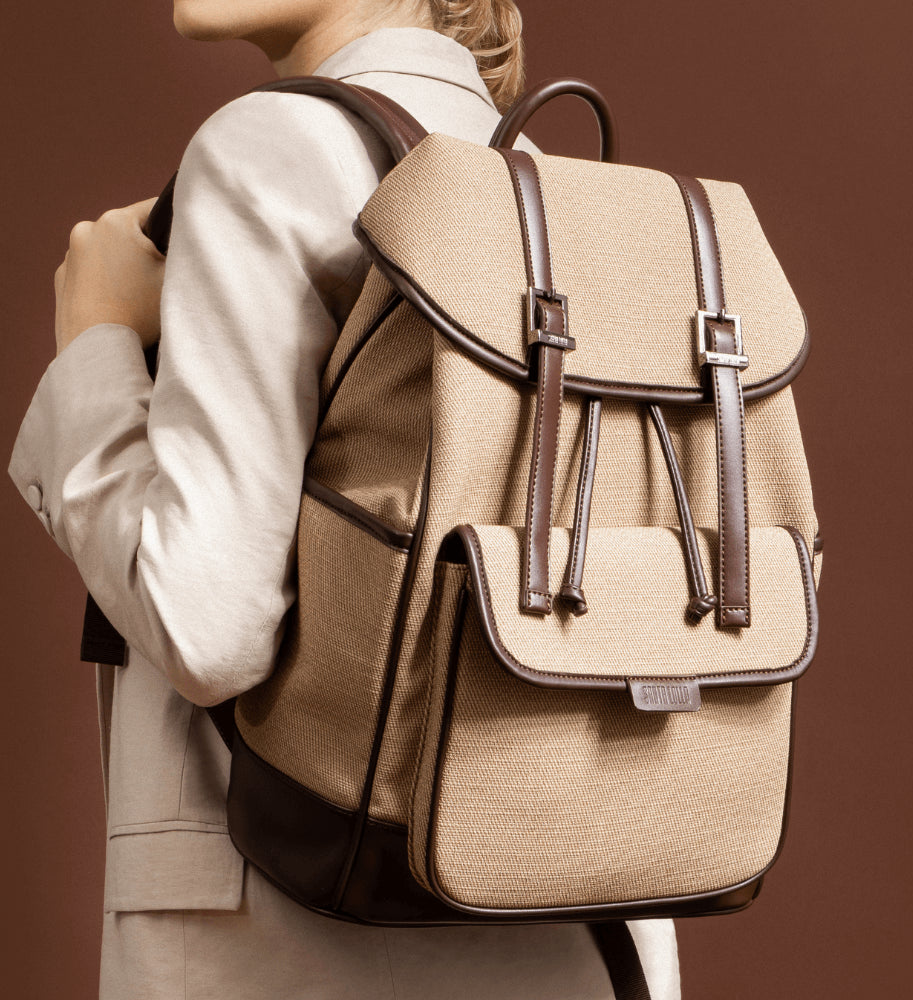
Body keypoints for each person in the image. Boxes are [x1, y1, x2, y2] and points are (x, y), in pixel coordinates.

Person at [9, 1, 682, 997]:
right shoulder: (548, 177)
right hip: (579, 913)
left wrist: (96, 343)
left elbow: (208, 626)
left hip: (299, 939)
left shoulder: (268, 146)